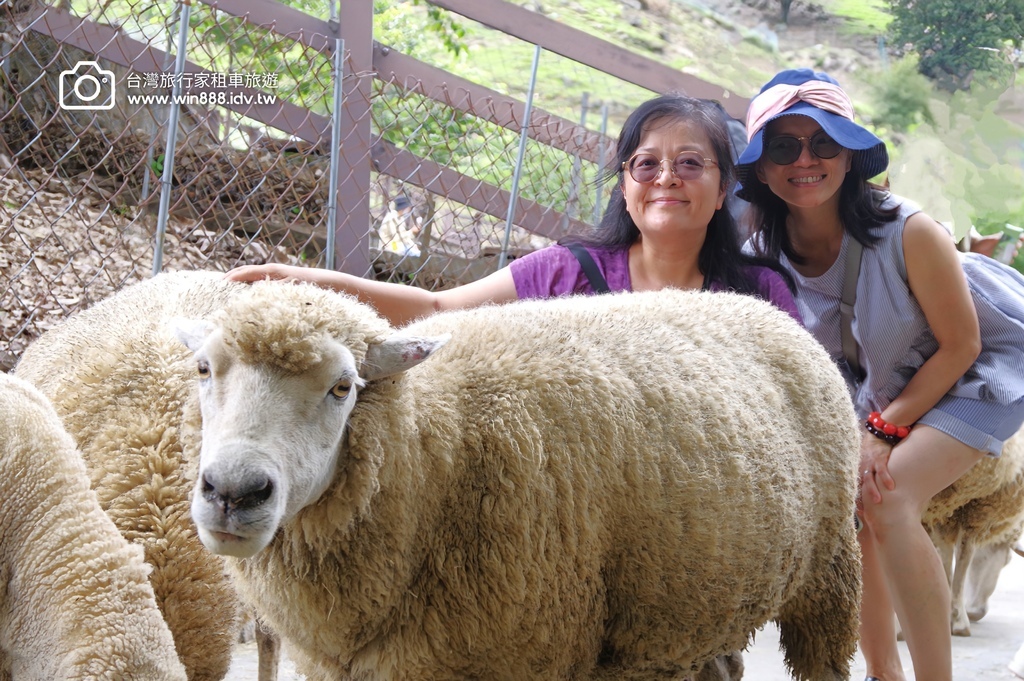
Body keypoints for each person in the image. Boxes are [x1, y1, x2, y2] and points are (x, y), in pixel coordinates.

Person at [735, 67, 1024, 681]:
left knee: (888, 498)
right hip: (882, 386)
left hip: (978, 370)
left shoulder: (909, 230)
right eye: (783, 146)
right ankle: (881, 671)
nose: (805, 159)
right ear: (761, 168)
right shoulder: (762, 255)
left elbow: (962, 343)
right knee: (858, 509)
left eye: (824, 143)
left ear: (849, 157)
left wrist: (882, 430)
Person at [226, 94, 800, 327]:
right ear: (624, 185)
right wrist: (298, 281)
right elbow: (436, 306)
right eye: (646, 165)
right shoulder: (567, 272)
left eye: (691, 164)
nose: (667, 178)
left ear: (725, 189)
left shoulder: (758, 297)